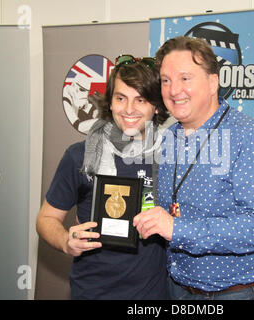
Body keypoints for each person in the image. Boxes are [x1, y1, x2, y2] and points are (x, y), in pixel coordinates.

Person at [133, 36, 254, 300]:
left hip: (237, 292)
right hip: (178, 287)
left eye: (185, 78)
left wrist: (177, 229)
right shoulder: (168, 137)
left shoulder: (251, 137)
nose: (173, 90)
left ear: (213, 82)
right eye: (166, 80)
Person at [36, 54, 170, 299]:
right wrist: (66, 240)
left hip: (151, 296)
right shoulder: (80, 155)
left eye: (140, 100)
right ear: (110, 103)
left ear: (156, 106)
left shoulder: (172, 158)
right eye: (121, 98)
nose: (129, 109)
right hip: (92, 292)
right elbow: (46, 218)